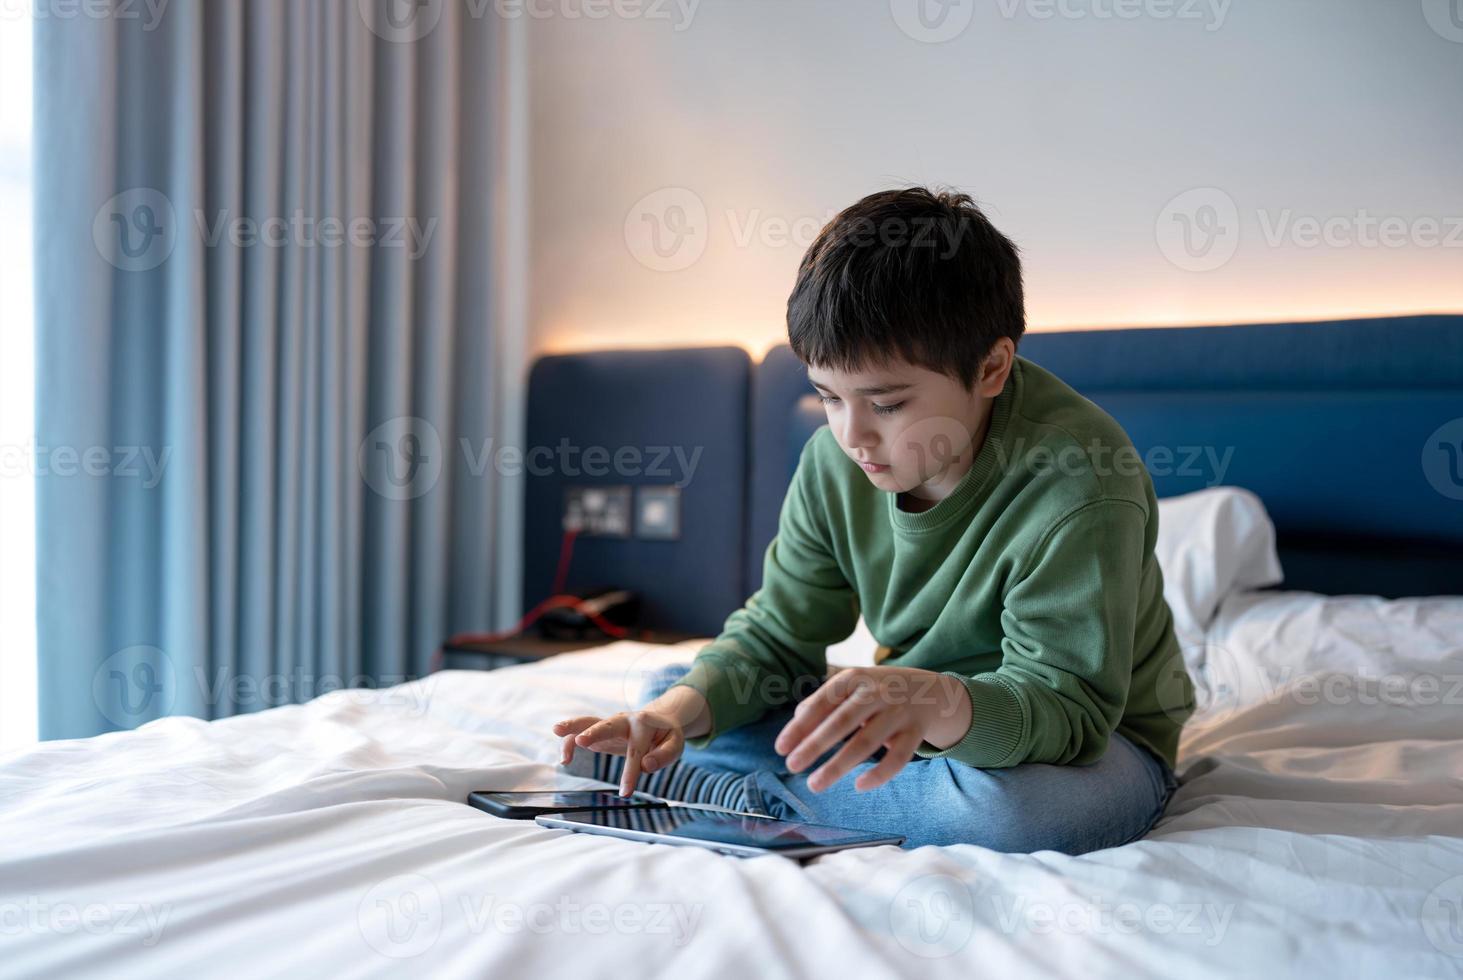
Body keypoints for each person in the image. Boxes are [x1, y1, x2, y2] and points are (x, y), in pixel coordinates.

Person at [553, 187, 1193, 851]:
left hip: (1082, 741)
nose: (851, 436)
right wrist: (671, 716)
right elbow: (779, 634)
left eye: (886, 404)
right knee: (674, 689)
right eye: (827, 396)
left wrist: (935, 702)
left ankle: (740, 793)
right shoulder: (835, 459)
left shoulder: (1081, 480)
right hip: (906, 718)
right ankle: (725, 770)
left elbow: (1067, 710)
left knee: (1018, 816)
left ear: (991, 368)